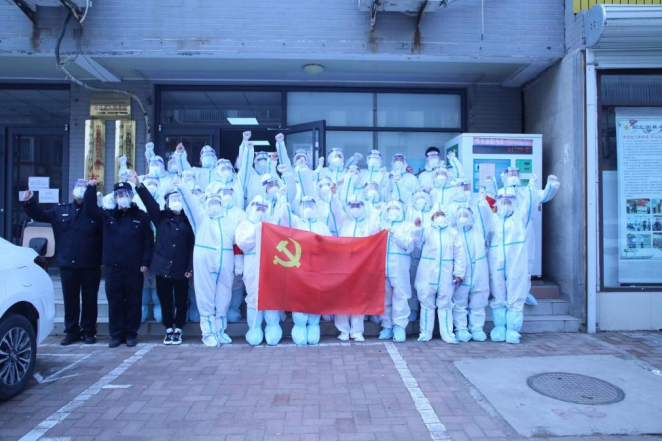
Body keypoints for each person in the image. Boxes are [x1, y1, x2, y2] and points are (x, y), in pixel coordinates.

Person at [22, 179, 102, 345]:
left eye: (84, 187)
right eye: (78, 187)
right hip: (67, 263)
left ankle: (88, 331)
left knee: (89, 300)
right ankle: (71, 331)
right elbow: (40, 215)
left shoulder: (94, 212)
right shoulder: (61, 210)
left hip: (90, 264)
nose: (80, 190)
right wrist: (29, 201)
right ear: (72, 192)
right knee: (70, 300)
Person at [84, 181, 153, 348]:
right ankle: (116, 334)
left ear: (131, 196)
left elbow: (148, 241)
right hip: (113, 268)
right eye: (119, 195)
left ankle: (131, 334)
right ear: (115, 198)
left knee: (133, 302)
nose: (123, 197)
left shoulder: (141, 216)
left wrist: (145, 262)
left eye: (126, 194)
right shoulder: (108, 215)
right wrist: (91, 188)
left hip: (134, 268)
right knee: (115, 302)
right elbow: (90, 210)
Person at [176, 182, 241, 347]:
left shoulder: (229, 222)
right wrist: (182, 187)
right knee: (206, 297)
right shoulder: (201, 219)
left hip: (225, 264)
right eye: (210, 203)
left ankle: (220, 331)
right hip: (205, 264)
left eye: (216, 202)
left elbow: (237, 241)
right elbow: (190, 204)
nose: (213, 206)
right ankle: (208, 333)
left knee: (224, 297)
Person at [133, 173, 194, 345]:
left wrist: (190, 267)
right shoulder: (160, 218)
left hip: (181, 268)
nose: (175, 202)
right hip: (162, 267)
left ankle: (179, 328)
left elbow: (192, 246)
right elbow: (150, 203)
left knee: (181, 300)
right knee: (165, 300)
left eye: (178, 199)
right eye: (172, 199)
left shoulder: (189, 221)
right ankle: (168, 328)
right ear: (166, 202)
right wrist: (139, 185)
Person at [486, 185, 536, 344]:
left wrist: (531, 189)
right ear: (498, 202)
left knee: (515, 295)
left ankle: (512, 331)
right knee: (498, 295)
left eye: (510, 199)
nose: (506, 202)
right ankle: (500, 328)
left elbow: (528, 206)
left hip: (516, 263)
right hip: (496, 263)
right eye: (503, 200)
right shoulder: (493, 220)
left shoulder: (519, 218)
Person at [235, 196, 286, 346]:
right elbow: (242, 243)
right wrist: (257, 229)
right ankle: (254, 329)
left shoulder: (271, 225)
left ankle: (273, 328)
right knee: (253, 297)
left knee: (271, 295)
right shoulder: (245, 225)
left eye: (264, 209)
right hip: (252, 266)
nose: (261, 212)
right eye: (258, 209)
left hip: (271, 264)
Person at [414, 209, 465, 344]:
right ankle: (425, 333)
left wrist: (459, 273)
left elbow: (459, 254)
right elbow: (416, 241)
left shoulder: (453, 233)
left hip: (445, 274)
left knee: (445, 304)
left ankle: (447, 333)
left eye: (442, 214)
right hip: (427, 273)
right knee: (426, 303)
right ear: (432, 217)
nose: (440, 216)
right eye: (436, 214)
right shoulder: (426, 230)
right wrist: (417, 227)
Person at [335, 195, 380, 341]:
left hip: (362, 266)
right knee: (342, 298)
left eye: (358, 206)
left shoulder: (367, 224)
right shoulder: (344, 222)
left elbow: (376, 233)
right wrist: (334, 195)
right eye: (352, 206)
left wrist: (375, 212)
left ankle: (357, 331)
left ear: (362, 208)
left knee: (358, 298)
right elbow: (335, 209)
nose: (355, 209)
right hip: (343, 266)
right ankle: (343, 330)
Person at [291, 196, 332, 346]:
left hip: (317, 268)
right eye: (304, 205)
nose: (308, 208)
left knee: (315, 296)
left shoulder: (322, 226)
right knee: (299, 297)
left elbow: (331, 244)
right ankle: (300, 326)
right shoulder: (295, 224)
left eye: (310, 205)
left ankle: (314, 325)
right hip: (299, 268)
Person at [205, 183, 247, 322]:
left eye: (230, 192)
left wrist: (239, 261)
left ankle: (233, 309)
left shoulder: (239, 213)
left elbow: (240, 238)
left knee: (235, 284)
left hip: (233, 255)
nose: (227, 195)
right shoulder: (211, 214)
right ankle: (214, 312)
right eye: (224, 192)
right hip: (214, 257)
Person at [379, 199, 417, 343]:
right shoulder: (381, 225)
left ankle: (399, 326)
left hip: (400, 267)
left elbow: (409, 245)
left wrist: (395, 233)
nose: (393, 210)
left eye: (396, 208)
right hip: (383, 266)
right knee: (385, 297)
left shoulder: (407, 226)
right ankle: (386, 326)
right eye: (390, 208)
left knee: (400, 296)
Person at [452, 202, 490, 342]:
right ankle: (461, 329)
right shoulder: (453, 233)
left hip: (479, 271)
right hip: (461, 272)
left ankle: (477, 329)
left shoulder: (479, 230)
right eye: (460, 215)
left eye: (466, 214)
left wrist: (481, 202)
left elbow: (486, 218)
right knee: (459, 302)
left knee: (478, 301)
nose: (463, 217)